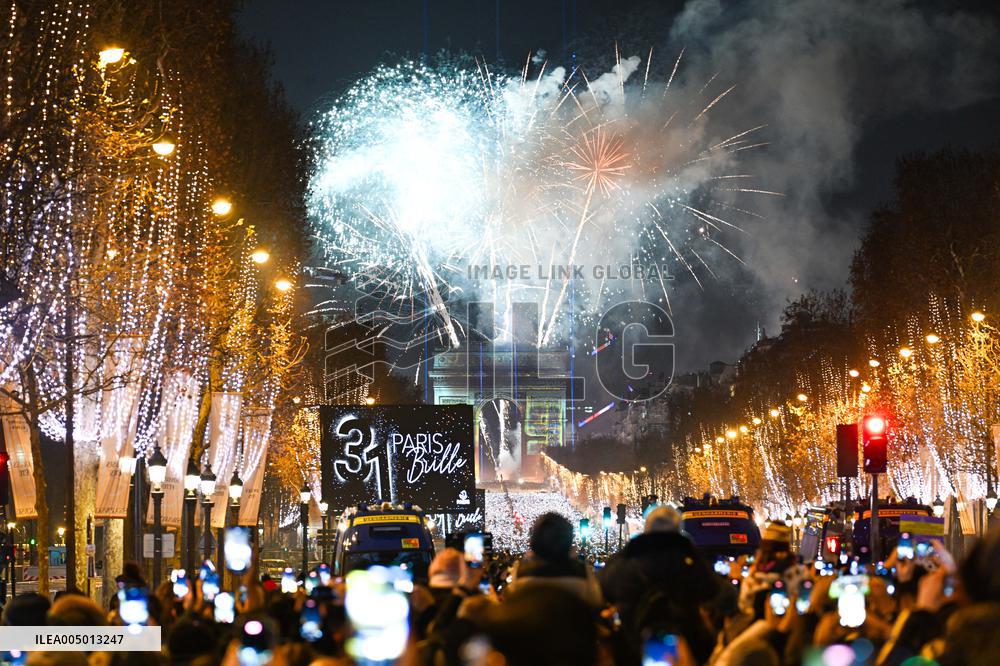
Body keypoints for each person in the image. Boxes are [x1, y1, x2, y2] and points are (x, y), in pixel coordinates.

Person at [600, 505, 718, 663]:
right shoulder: (690, 558)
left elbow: (605, 586)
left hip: (633, 637)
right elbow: (711, 588)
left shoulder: (628, 560)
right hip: (686, 634)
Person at [507, 512, 602, 608]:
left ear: (533, 544)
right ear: (569, 545)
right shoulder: (583, 577)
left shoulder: (520, 576)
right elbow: (596, 604)